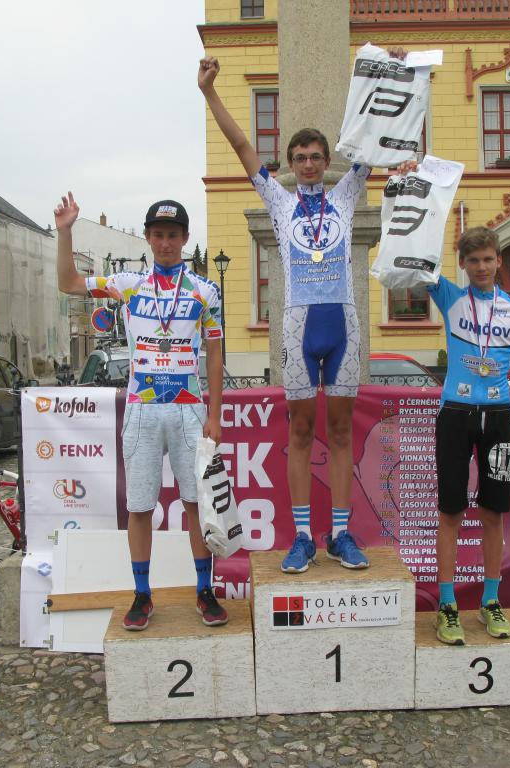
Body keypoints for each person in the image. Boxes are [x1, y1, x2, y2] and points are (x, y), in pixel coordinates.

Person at [198, 52, 403, 573]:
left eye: (315, 156)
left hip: (343, 323)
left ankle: (340, 534)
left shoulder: (347, 193)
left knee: (341, 432)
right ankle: (303, 538)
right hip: (297, 325)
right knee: (299, 433)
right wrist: (209, 93)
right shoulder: (280, 202)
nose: (308, 164)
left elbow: (373, 134)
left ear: (326, 160)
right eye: (300, 157)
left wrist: (392, 73)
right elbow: (242, 146)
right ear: (289, 164)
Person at [54, 192, 227, 630]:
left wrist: (215, 414)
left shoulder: (206, 291)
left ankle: (204, 590)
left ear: (185, 238)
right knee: (140, 507)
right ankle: (142, 594)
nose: (166, 243)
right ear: (148, 238)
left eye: (173, 235)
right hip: (142, 410)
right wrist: (65, 232)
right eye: (158, 235)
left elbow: (214, 353)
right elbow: (69, 282)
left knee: (196, 504)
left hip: (188, 410)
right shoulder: (127, 284)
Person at [426, 225, 510, 645]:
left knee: (494, 512)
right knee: (450, 512)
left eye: (488, 259)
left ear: (499, 260)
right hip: (455, 415)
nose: (481, 267)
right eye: (473, 260)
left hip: (499, 419)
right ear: (463, 264)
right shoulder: (451, 297)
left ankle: (491, 600)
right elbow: (416, 264)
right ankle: (447, 605)